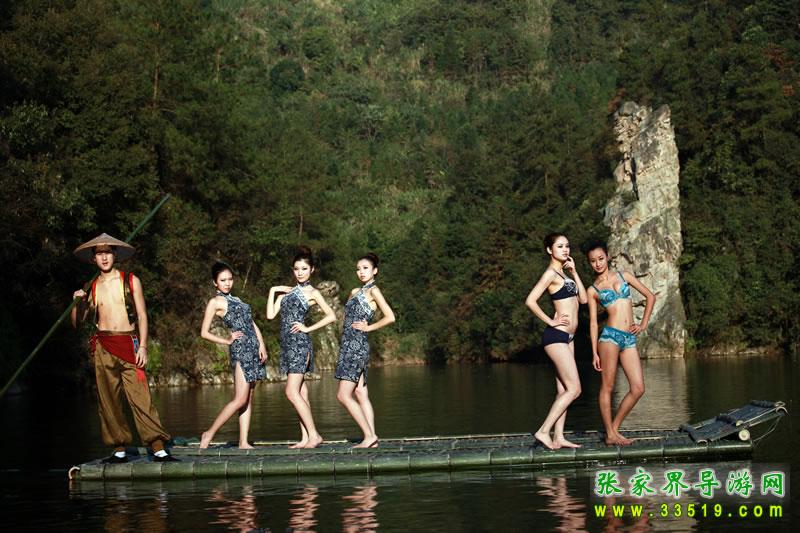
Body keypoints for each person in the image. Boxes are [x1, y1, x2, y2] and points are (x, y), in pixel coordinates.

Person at [70, 233, 176, 462]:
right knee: (108, 399)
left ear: (115, 255)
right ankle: (119, 449)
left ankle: (157, 446)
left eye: (108, 252)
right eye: (99, 254)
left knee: (141, 396)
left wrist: (144, 346)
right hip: (103, 346)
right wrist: (77, 303)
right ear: (93, 259)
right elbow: (77, 323)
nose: (104, 257)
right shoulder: (91, 287)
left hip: (129, 343)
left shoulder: (130, 280)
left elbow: (142, 315)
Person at [585, 240, 656, 445]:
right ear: (590, 263)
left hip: (629, 338)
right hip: (610, 338)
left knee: (638, 388)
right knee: (607, 387)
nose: (598, 264)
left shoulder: (624, 276)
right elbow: (592, 323)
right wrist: (594, 352)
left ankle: (613, 429)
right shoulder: (593, 290)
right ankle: (610, 434)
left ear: (607, 257)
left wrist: (642, 324)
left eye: (600, 258)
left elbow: (650, 296)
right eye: (593, 261)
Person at [266, 247, 336, 448]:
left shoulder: (312, 292)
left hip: (299, 344)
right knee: (301, 392)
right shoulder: (286, 294)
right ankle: (305, 438)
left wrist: (308, 328)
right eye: (296, 269)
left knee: (291, 392)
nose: (300, 272)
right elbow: (270, 315)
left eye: (304, 269)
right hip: (287, 345)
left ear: (311, 270)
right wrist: (274, 290)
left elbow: (331, 316)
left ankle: (314, 435)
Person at [525, 233, 588, 450]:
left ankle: (559, 437)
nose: (565, 249)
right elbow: (530, 301)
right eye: (560, 246)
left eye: (567, 246)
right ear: (549, 250)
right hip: (556, 337)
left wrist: (574, 271)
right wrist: (550, 321)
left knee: (563, 391)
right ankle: (544, 431)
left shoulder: (565, 274)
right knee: (575, 389)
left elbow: (583, 299)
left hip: (569, 338)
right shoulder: (550, 274)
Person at [198, 262, 268, 449]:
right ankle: (209, 433)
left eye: (229, 279)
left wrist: (262, 344)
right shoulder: (215, 302)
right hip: (240, 350)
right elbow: (204, 332)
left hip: (253, 349)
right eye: (223, 280)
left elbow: (251, 324)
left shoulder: (237, 299)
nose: (227, 283)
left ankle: (243, 441)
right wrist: (226, 340)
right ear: (215, 282)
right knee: (240, 398)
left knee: (249, 397)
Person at [335, 253, 395, 448]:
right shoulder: (354, 291)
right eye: (358, 269)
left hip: (357, 346)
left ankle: (369, 436)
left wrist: (369, 327)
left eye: (365, 268)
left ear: (374, 270)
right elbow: (346, 317)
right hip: (348, 344)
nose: (361, 272)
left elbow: (390, 317)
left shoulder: (374, 291)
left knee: (343, 395)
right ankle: (372, 438)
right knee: (360, 393)